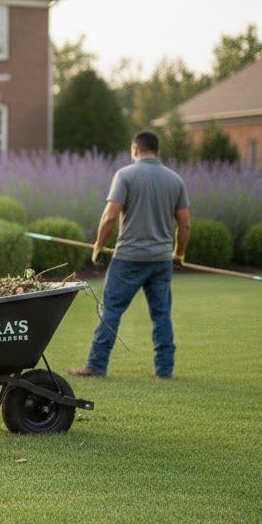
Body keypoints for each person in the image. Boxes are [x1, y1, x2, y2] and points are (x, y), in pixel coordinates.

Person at [71, 130, 191, 380]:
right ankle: (165, 371)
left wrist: (98, 246)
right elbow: (185, 224)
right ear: (157, 150)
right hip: (161, 260)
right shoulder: (175, 180)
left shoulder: (125, 175)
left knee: (111, 310)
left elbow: (110, 216)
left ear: (134, 149)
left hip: (128, 258)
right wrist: (178, 254)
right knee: (161, 316)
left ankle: (96, 365)